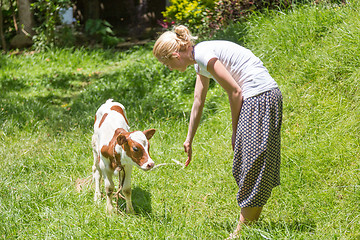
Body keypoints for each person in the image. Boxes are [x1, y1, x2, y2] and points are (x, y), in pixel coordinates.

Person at [153, 25, 283, 238]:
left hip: (260, 97)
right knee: (247, 165)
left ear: (176, 55)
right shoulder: (200, 60)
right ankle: (249, 228)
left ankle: (241, 234)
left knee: (251, 166)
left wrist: (235, 131)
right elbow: (198, 100)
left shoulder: (204, 55)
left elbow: (235, 91)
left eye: (166, 63)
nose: (168, 68)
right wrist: (189, 139)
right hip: (260, 98)